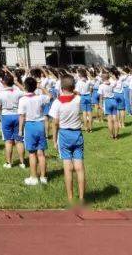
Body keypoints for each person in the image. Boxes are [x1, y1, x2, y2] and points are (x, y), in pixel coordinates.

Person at [48, 75, 85, 207]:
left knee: (67, 169)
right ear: (73, 87)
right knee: (79, 168)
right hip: (77, 133)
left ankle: (70, 198)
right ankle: (81, 199)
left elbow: (55, 123)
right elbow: (78, 94)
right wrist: (73, 90)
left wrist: (54, 139)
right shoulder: (78, 99)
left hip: (64, 134)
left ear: (61, 88)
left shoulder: (57, 103)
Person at [17, 76, 49, 186]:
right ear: (35, 87)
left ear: (25, 86)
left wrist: (20, 130)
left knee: (31, 153)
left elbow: (21, 116)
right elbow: (50, 96)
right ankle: (43, 177)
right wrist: (42, 87)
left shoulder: (22, 100)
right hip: (40, 125)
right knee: (41, 153)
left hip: (29, 126)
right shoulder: (40, 97)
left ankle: (34, 177)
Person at [0, 71, 26, 167]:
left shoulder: (0, 94)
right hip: (17, 116)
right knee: (19, 140)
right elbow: (26, 91)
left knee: (8, 141)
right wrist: (17, 83)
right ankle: (22, 162)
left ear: (4, 82)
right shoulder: (18, 92)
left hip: (6, 116)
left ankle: (9, 162)